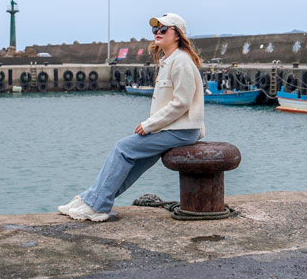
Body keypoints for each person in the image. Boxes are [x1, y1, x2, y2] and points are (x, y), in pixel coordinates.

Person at [58, 13, 205, 222]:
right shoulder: (170, 60)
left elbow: (182, 102)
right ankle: (94, 200)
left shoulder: (180, 61)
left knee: (123, 148)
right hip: (173, 128)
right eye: (155, 30)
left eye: (164, 29)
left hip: (181, 130)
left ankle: (96, 204)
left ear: (177, 34)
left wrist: (149, 125)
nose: (158, 33)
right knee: (133, 163)